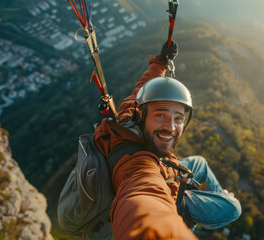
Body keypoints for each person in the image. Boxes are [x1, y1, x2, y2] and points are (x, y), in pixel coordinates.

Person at [93, 41, 241, 239]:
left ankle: (214, 198)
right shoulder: (138, 168)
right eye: (160, 115)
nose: (170, 128)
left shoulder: (129, 115)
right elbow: (144, 202)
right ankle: (192, 210)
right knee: (233, 207)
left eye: (178, 118)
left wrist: (161, 61)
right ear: (143, 114)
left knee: (199, 163)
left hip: (164, 168)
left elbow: (144, 84)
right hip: (166, 192)